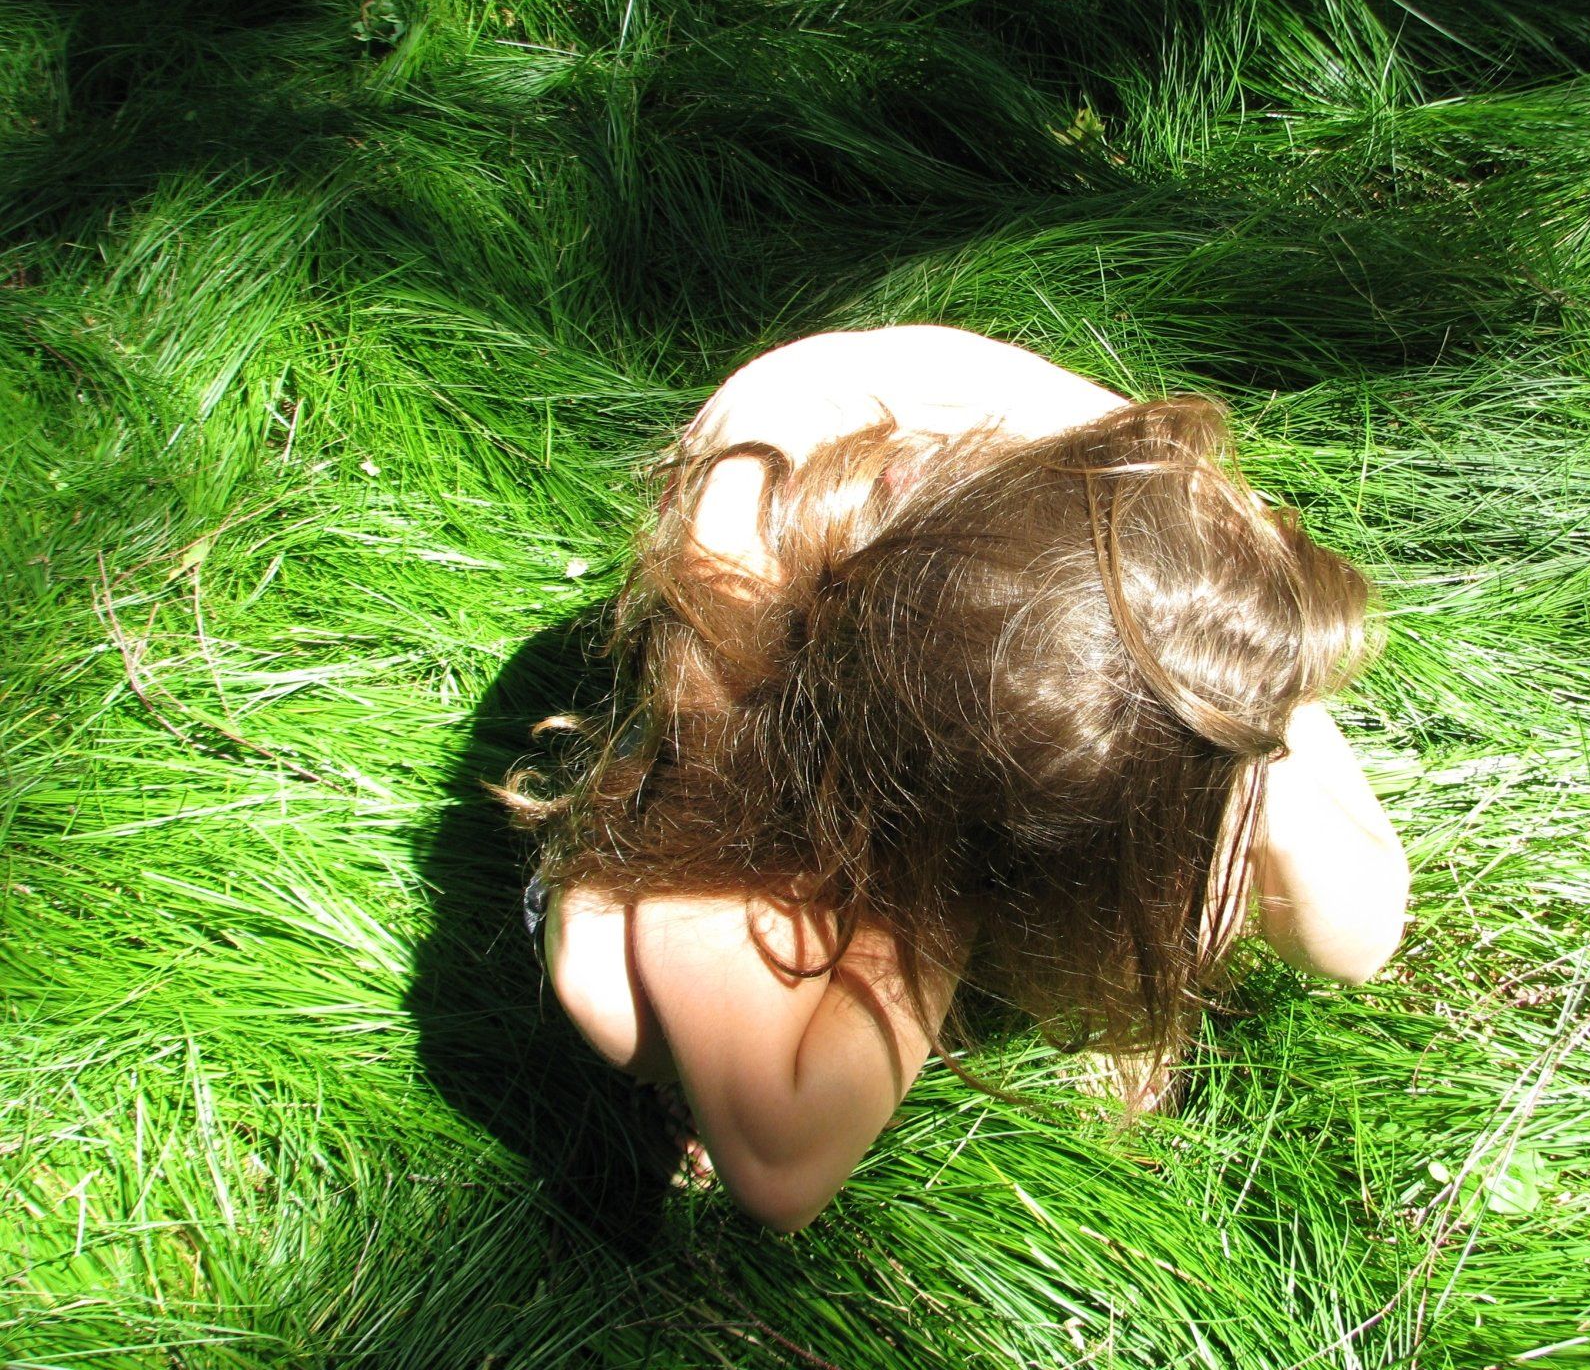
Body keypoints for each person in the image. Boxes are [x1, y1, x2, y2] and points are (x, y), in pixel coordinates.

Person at [498, 326, 1409, 1233]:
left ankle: (1142, 807)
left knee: (1235, 810)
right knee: (620, 1002)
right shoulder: (742, 612)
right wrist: (945, 881)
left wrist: (1238, 751)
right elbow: (780, 1172)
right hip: (820, 683)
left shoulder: (1155, 524)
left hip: (998, 653)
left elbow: (1357, 941)